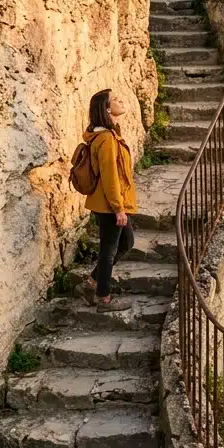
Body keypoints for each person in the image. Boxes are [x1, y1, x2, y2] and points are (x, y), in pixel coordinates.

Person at [80, 88, 138, 312]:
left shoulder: (110, 135)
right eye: (115, 99)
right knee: (109, 250)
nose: (120, 100)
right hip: (109, 205)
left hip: (111, 203)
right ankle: (103, 298)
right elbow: (110, 176)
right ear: (106, 109)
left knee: (126, 243)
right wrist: (118, 208)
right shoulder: (105, 139)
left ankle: (93, 282)